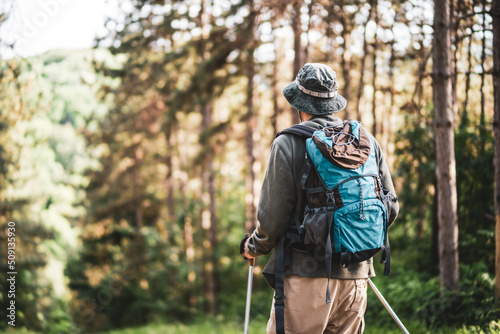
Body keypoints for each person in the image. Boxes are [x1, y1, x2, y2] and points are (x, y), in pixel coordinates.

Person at [241, 63, 399, 334]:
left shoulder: (288, 143)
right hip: (357, 279)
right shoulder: (366, 142)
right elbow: (391, 208)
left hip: (306, 278)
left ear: (299, 103)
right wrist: (351, 240)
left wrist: (253, 246)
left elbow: (272, 217)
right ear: (332, 102)